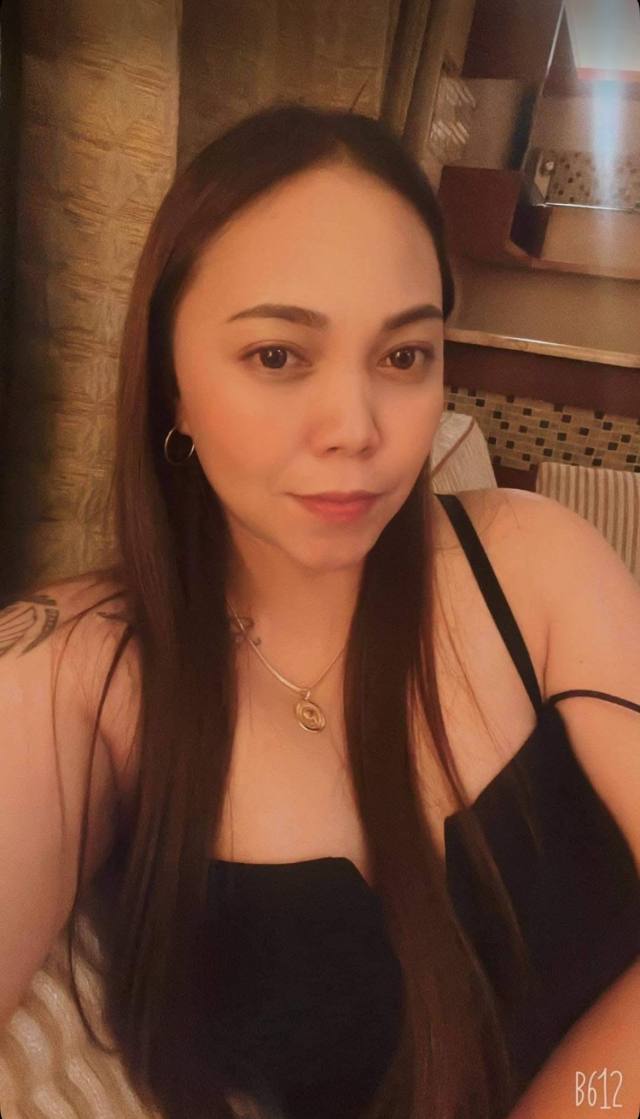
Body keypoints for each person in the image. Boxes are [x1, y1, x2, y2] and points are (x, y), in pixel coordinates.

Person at [0, 101, 639, 1119]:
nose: (356, 428)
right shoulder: (79, 668)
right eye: (277, 356)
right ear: (172, 382)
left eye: (403, 356)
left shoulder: (533, 561)